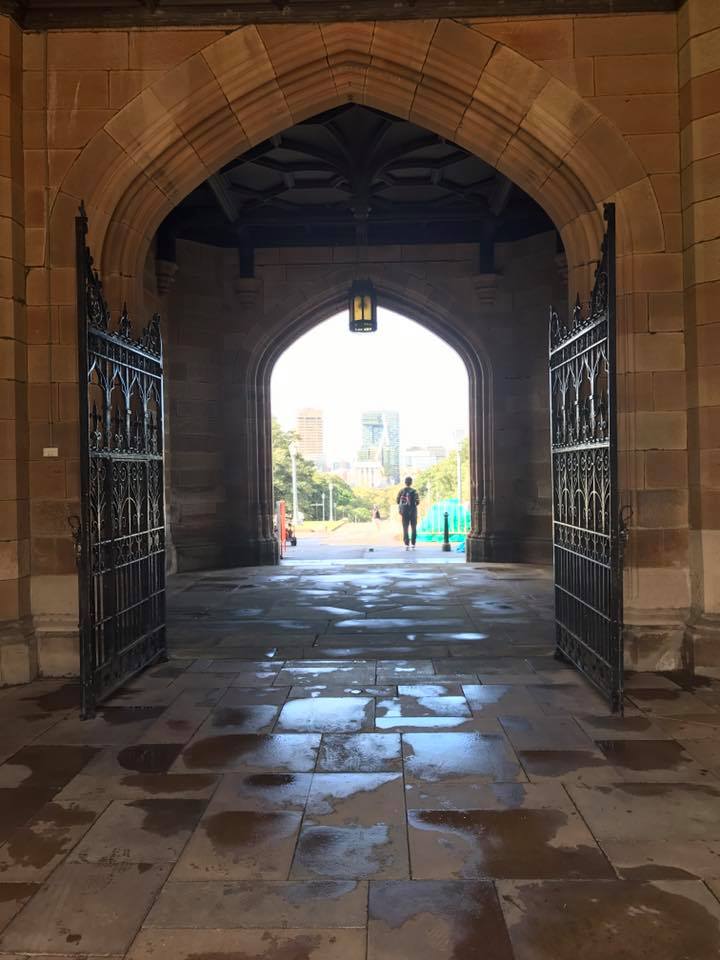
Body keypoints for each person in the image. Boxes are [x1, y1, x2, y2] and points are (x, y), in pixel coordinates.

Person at [396, 476, 420, 550]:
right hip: (413, 512)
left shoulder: (401, 491)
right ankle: (413, 544)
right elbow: (418, 502)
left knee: (405, 528)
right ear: (411, 482)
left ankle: (406, 544)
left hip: (404, 512)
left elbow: (397, 501)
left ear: (405, 482)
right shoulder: (414, 491)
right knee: (414, 528)